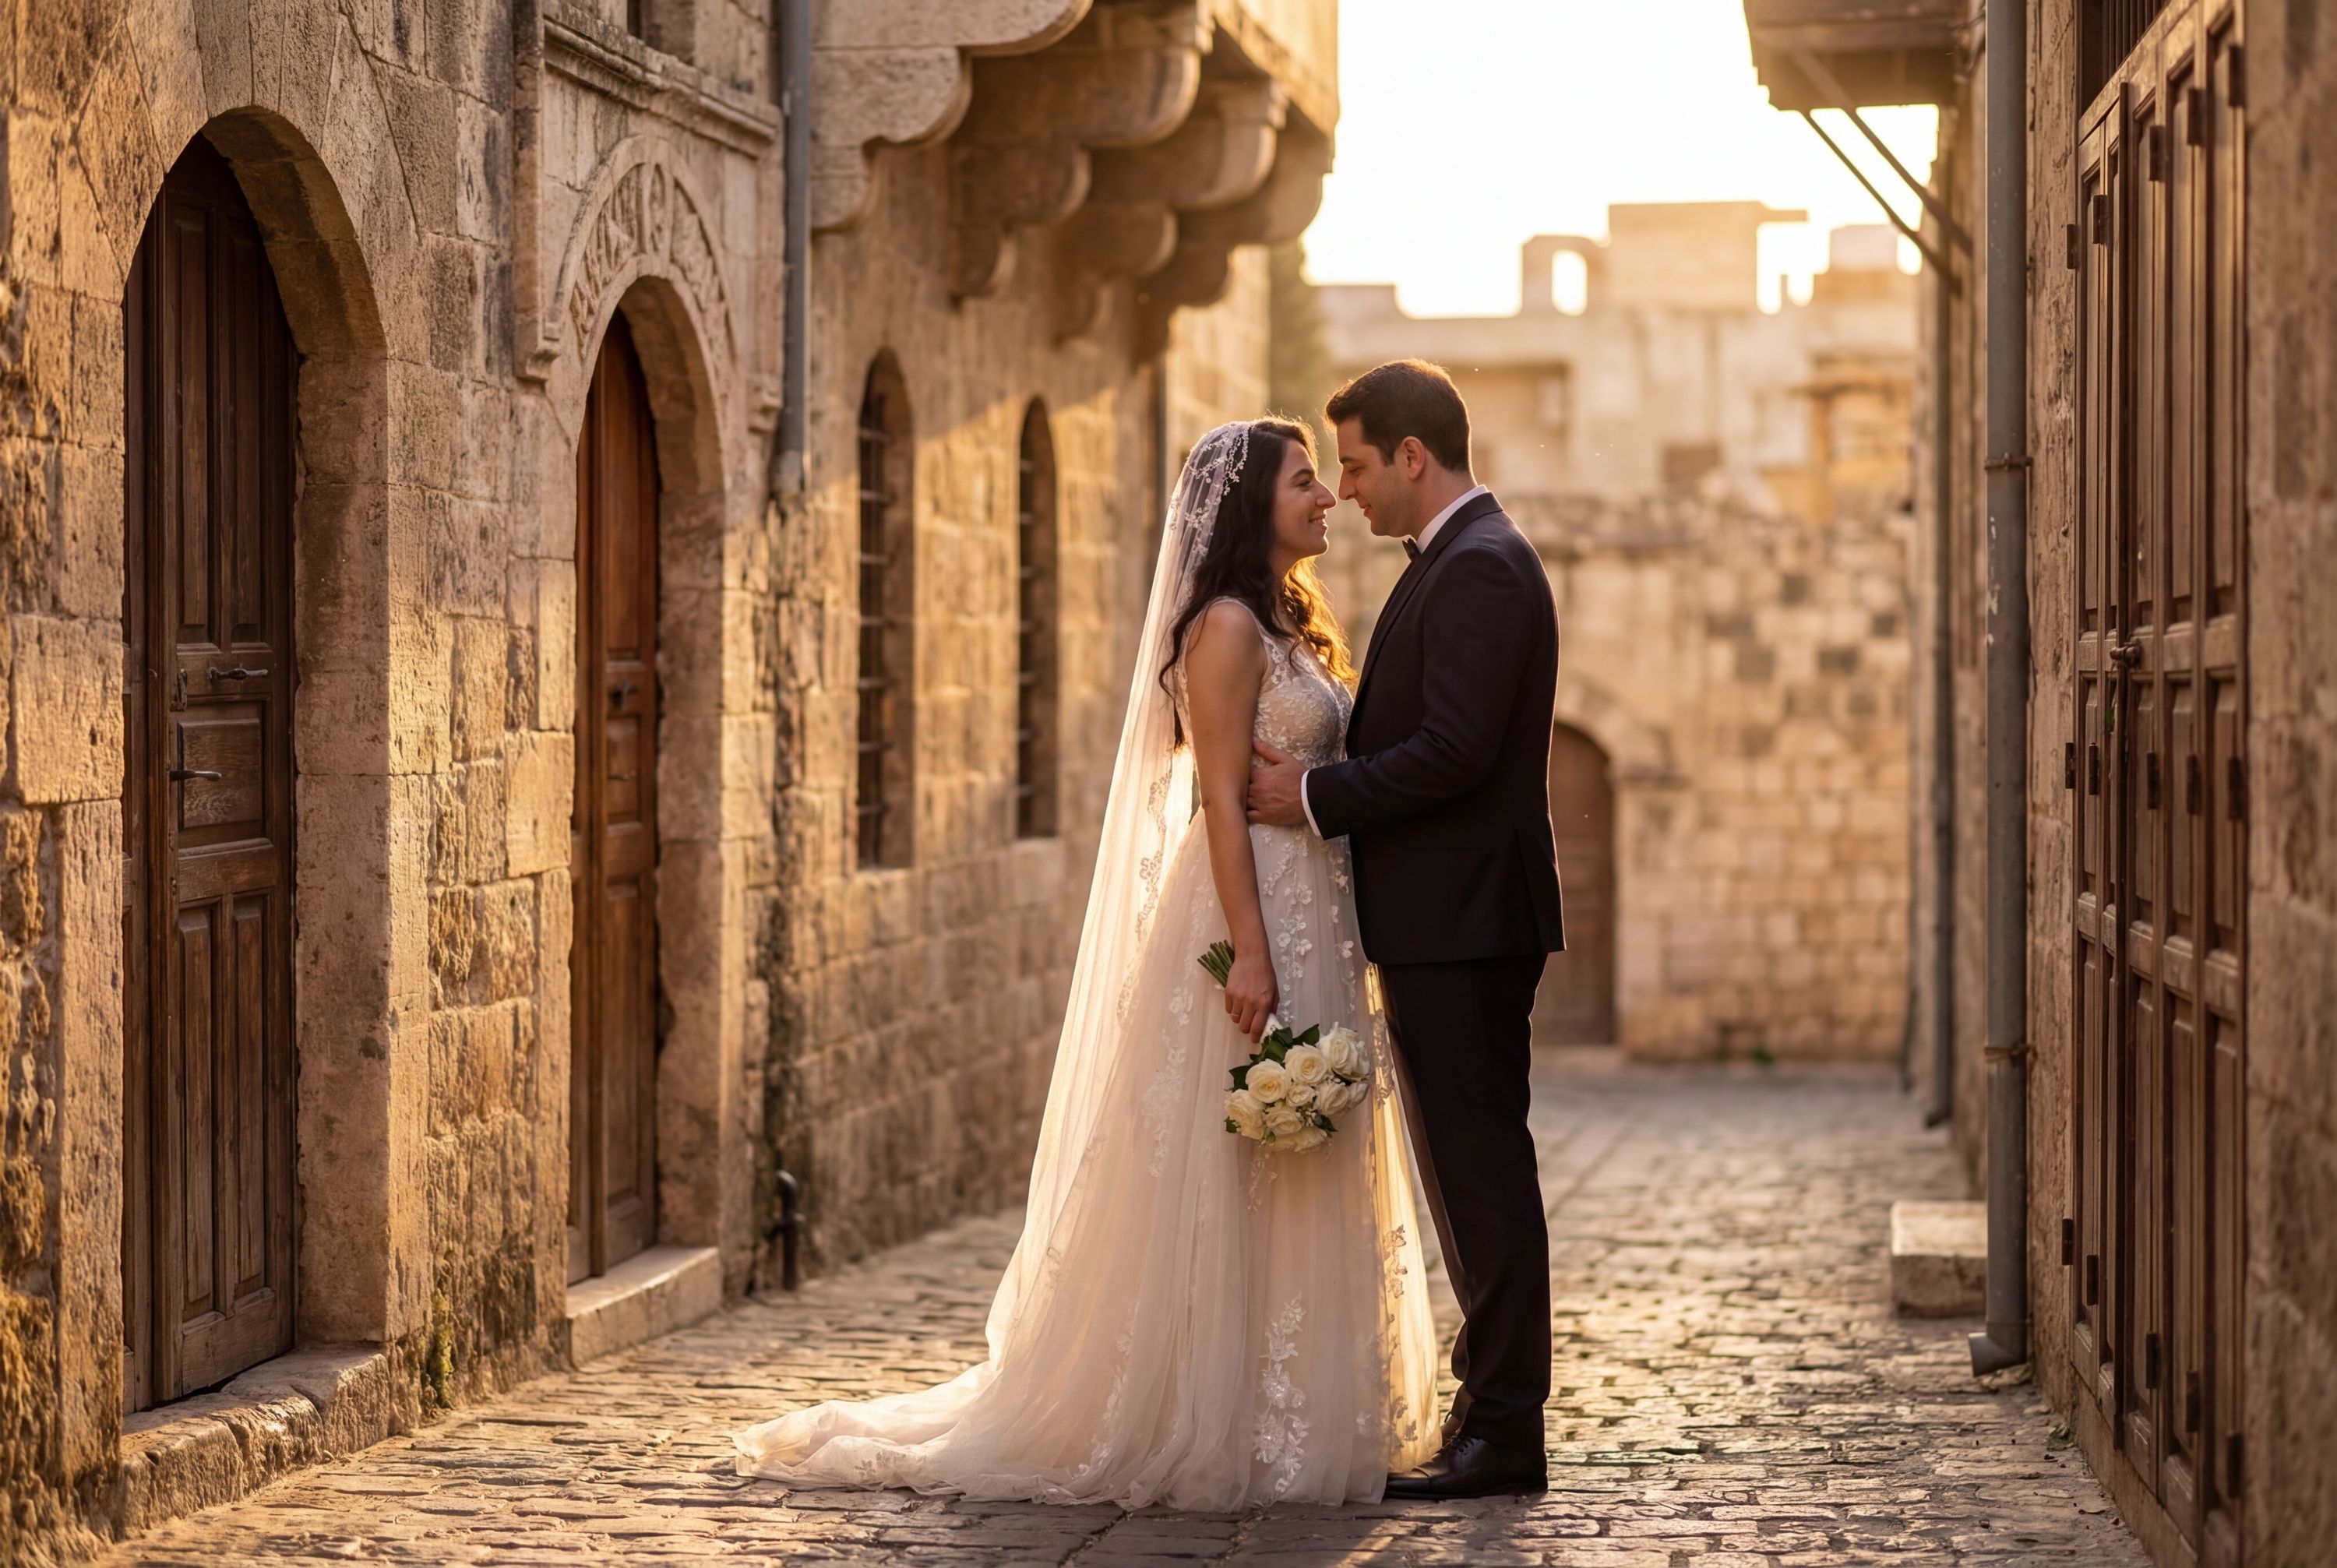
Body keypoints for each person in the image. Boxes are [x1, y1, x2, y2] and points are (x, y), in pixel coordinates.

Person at [734, 419, 1439, 1507]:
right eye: (1307, 480)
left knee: (1304, 1152)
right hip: (1253, 912)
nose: (1328, 496)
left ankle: (1294, 1402)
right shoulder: (1225, 627)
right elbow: (1214, 798)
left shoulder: (1292, 623)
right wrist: (1250, 951)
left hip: (1318, 910)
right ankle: (1211, 1410)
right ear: (1255, 503)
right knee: (1239, 1150)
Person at [1248, 358, 1565, 1499]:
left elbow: (1457, 751)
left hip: (1467, 922)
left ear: (1414, 458)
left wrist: (1315, 798)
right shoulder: (1459, 561)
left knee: (1480, 1175)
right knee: (1468, 1172)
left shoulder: (1480, 568)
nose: (1348, 489)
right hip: (1448, 920)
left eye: (1358, 463)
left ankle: (1506, 1432)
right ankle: (1491, 1413)